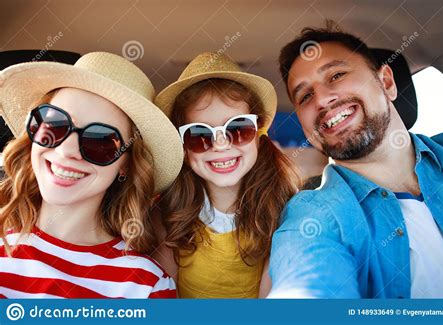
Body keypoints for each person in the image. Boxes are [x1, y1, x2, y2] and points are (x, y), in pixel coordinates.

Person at [269, 23, 443, 298]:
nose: (322, 99)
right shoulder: (315, 216)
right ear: (307, 130)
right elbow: (305, 285)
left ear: (386, 82)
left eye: (336, 75)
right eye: (305, 96)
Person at [0, 51, 184, 298]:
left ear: (125, 165)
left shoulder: (144, 286)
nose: (67, 150)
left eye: (100, 140)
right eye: (55, 125)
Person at [153, 52, 301, 298]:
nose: (220, 144)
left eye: (238, 128)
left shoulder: (284, 207)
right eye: (199, 134)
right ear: (182, 146)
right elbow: (167, 298)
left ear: (259, 132)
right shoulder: (166, 212)